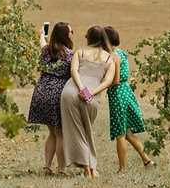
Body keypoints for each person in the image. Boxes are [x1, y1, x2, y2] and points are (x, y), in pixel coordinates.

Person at [60, 25, 116, 178]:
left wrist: (81, 88)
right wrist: (90, 92)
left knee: (75, 131)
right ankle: (91, 167)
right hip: (93, 96)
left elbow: (74, 71)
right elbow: (108, 81)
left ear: (88, 38)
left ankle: (87, 166)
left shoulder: (80, 52)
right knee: (87, 131)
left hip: (71, 91)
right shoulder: (110, 58)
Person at [27, 22, 74, 175]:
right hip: (57, 94)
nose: (72, 32)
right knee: (60, 133)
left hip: (41, 92)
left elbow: (42, 42)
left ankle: (47, 166)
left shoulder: (46, 50)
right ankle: (61, 169)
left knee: (52, 133)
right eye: (70, 31)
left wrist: (42, 34)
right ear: (66, 35)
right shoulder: (69, 54)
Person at [105, 26, 152, 172]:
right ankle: (147, 160)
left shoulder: (114, 56)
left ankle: (122, 169)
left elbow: (116, 80)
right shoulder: (121, 52)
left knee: (120, 133)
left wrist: (103, 85)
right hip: (126, 91)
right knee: (127, 133)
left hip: (118, 94)